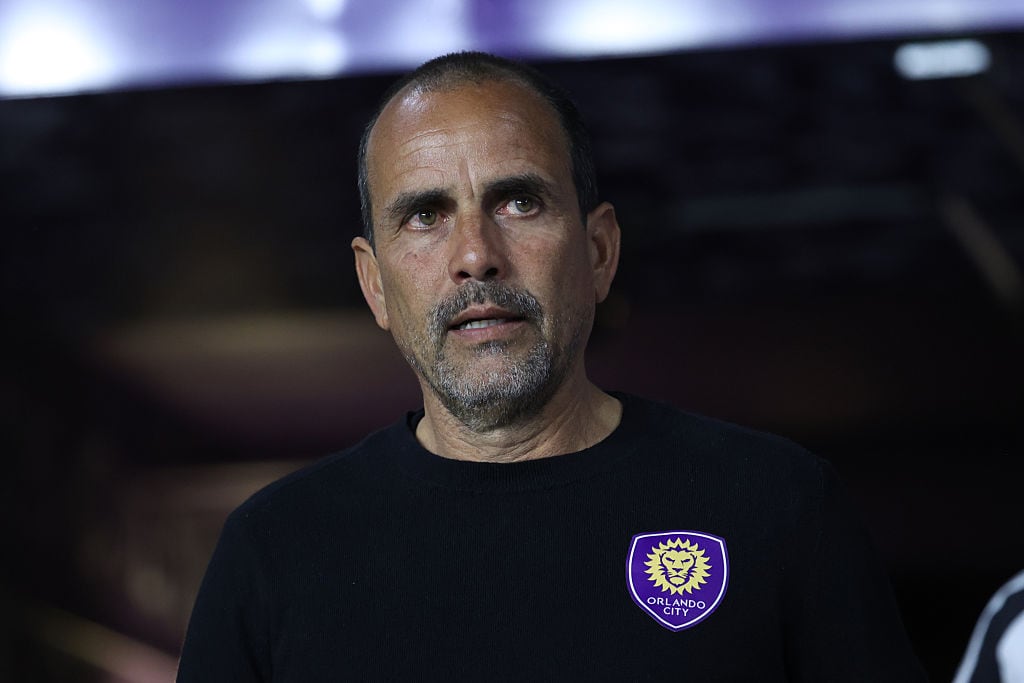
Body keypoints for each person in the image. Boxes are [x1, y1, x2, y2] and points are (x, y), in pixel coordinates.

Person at [176, 51, 926, 681]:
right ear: (375, 284)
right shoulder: (274, 553)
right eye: (426, 216)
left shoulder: (777, 505)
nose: (476, 256)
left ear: (598, 252)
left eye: (519, 203)